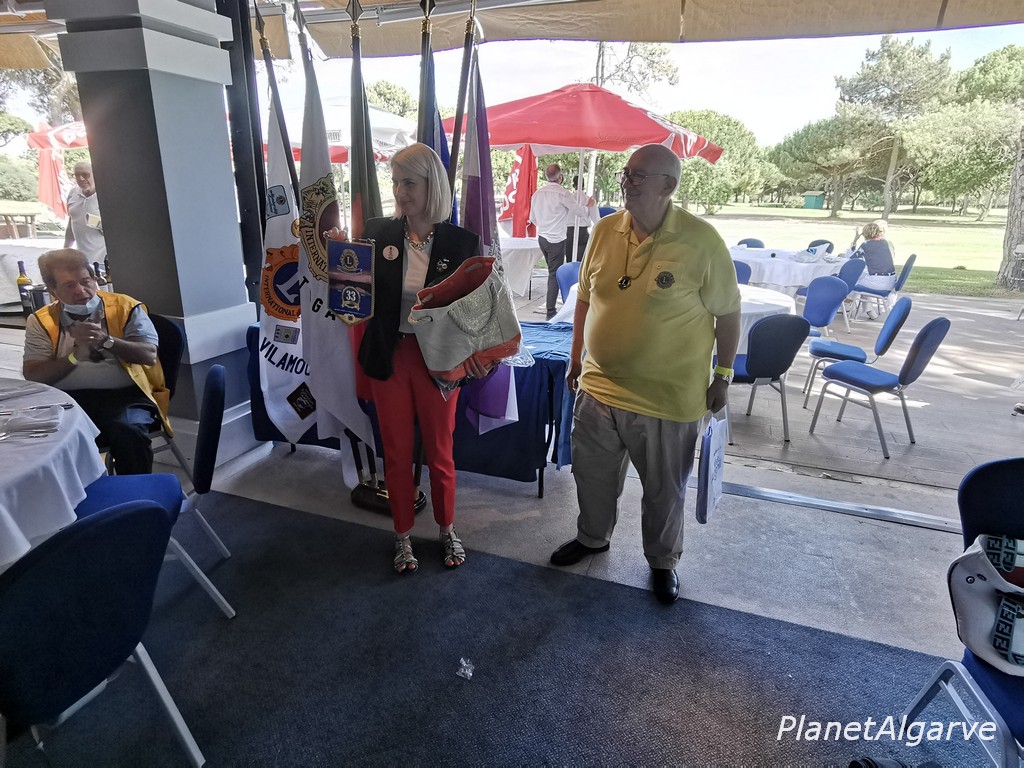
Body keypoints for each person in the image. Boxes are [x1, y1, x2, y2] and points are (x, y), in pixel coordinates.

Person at [549, 144, 742, 606]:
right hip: (598, 387)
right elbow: (584, 299)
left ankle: (662, 561)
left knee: (663, 490)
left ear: (668, 186)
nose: (626, 181)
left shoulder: (701, 240)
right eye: (626, 173)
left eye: (639, 175)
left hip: (667, 398)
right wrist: (576, 358)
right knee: (592, 476)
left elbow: (729, 313)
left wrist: (722, 375)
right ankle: (592, 537)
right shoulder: (604, 230)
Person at [343, 143, 489, 575]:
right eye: (395, 182)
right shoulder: (376, 232)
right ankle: (402, 534)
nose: (400, 191)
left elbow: (475, 311)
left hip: (439, 361)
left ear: (432, 185)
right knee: (396, 451)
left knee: (441, 451)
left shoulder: (462, 242)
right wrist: (340, 261)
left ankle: (446, 528)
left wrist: (481, 354)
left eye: (409, 182)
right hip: (391, 357)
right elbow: (353, 295)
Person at [22, 248, 169, 475]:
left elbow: (148, 355)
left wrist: (106, 341)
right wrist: (76, 356)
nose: (81, 291)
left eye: (85, 281)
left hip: (126, 395)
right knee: (41, 435)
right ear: (53, 291)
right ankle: (76, 493)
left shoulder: (126, 307)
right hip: (68, 398)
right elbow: (34, 374)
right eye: (69, 285)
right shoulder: (41, 320)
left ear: (94, 278)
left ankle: (136, 493)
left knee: (128, 432)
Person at [528, 163, 593, 319]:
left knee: (552, 271)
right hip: (556, 238)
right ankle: (550, 311)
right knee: (553, 274)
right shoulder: (563, 194)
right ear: (560, 177)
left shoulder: (537, 194)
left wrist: (545, 223)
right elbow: (579, 212)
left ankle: (552, 307)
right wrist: (587, 205)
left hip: (542, 237)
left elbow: (532, 218)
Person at [849, 220, 897, 319]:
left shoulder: (866, 244)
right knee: (863, 279)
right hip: (891, 281)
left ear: (865, 233)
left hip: (878, 282)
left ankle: (845, 304)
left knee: (851, 281)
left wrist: (855, 241)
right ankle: (869, 310)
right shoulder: (885, 243)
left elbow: (852, 258)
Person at [63, 162, 107, 266]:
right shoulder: (73, 193)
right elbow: (71, 222)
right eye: (77, 175)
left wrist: (95, 222)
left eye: (85, 174)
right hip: (81, 260)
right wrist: (66, 249)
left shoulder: (106, 195)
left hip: (102, 260)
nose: (81, 178)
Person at [565, 174, 600, 263]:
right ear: (584, 185)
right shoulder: (589, 200)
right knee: (581, 262)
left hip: (569, 232)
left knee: (569, 261)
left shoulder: (568, 199)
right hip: (583, 232)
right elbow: (596, 220)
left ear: (573, 185)